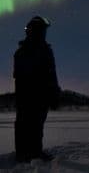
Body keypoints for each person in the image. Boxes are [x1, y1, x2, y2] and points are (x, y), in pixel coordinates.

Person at [13, 16, 61, 162]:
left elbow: (51, 74)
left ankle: (30, 152)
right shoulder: (31, 51)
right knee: (29, 124)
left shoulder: (34, 50)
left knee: (33, 125)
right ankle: (27, 153)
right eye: (42, 30)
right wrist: (52, 92)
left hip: (35, 96)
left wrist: (54, 92)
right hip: (32, 96)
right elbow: (48, 74)